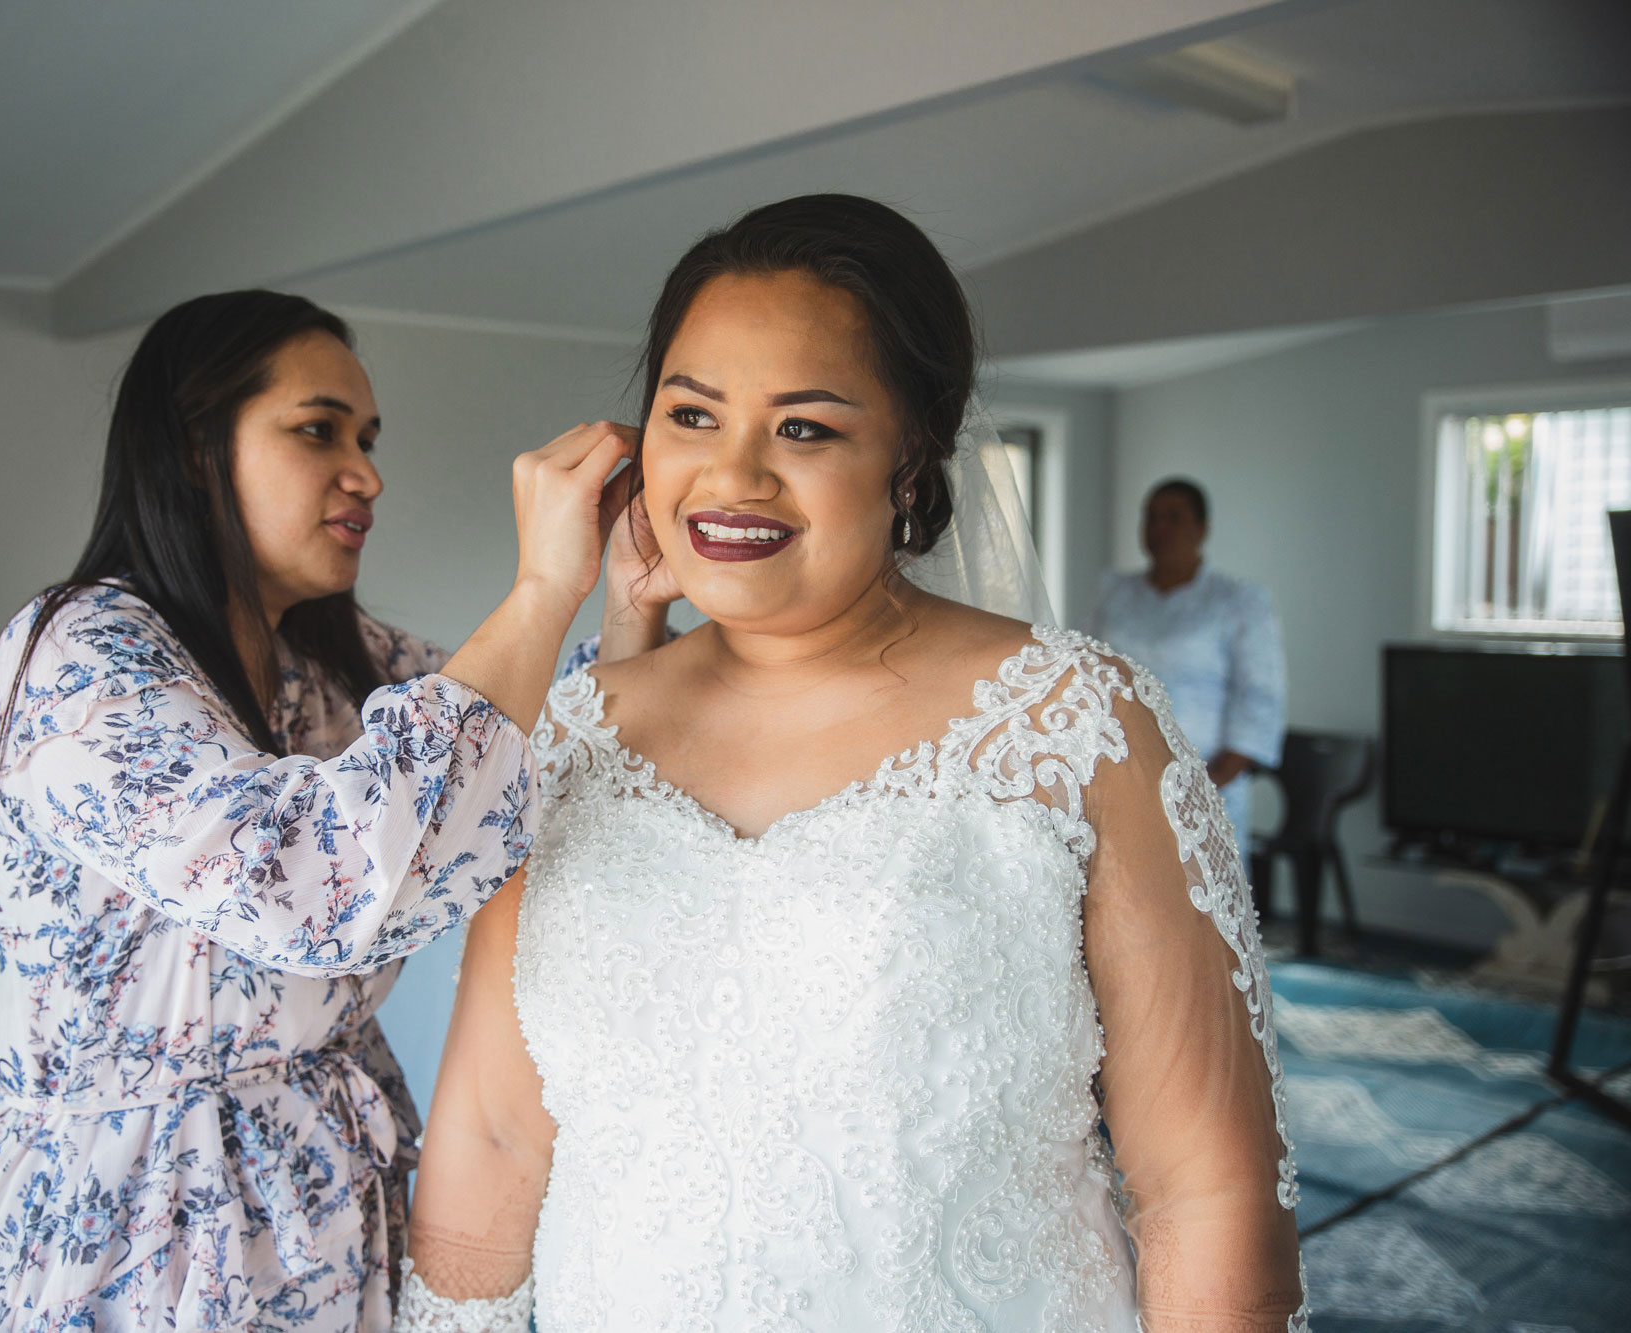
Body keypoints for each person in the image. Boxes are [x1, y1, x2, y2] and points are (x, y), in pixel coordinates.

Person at [398, 196, 1305, 1331]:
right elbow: (490, 1131)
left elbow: (1200, 1187)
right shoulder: (562, 740)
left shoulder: (1076, 728)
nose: (732, 476)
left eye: (803, 428)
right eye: (691, 414)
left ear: (910, 455)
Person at [0, 291, 669, 1332]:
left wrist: (627, 602)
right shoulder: (79, 654)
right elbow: (309, 885)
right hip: (131, 1232)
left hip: (337, 1204)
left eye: (368, 438)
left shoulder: (336, 663)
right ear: (194, 445)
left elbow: (535, 758)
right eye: (317, 429)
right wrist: (538, 587)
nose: (367, 473)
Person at [1088, 479, 1287, 834]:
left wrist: (1211, 780)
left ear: (1201, 529)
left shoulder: (1238, 601)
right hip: (1120, 776)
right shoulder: (1115, 594)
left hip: (1207, 783)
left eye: (1173, 518)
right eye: (1150, 517)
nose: (1158, 528)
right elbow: (1089, 673)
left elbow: (1258, 696)